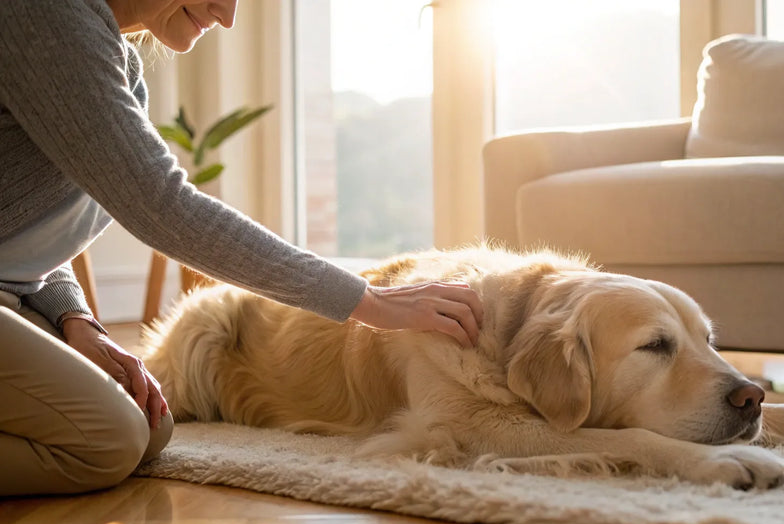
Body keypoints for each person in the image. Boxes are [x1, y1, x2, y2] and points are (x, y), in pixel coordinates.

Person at [0, 0, 484, 497]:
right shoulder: (46, 13)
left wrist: (74, 319)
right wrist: (371, 302)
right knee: (109, 440)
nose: (227, 15)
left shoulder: (120, 66)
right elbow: (163, 207)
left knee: (150, 426)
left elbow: (27, 241)